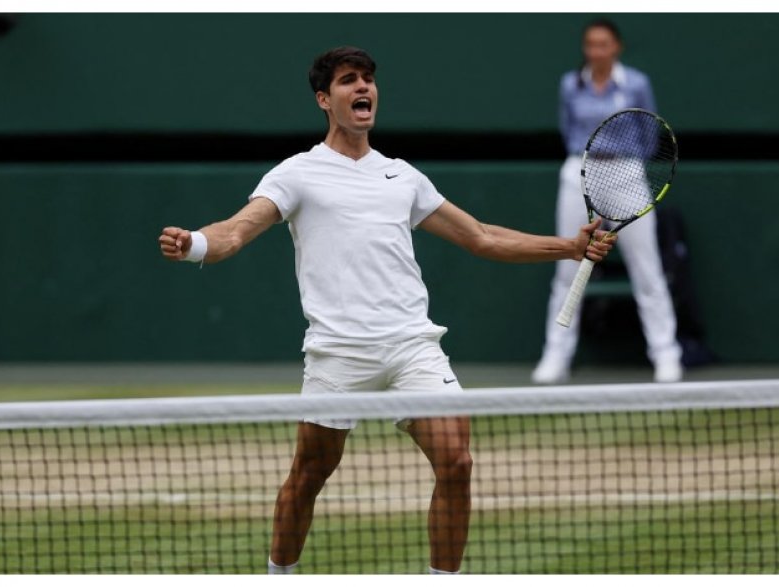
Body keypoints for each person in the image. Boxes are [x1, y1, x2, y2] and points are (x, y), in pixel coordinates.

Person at [159, 46, 614, 574]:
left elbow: (483, 237)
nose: (364, 89)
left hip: (411, 347)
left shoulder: (403, 176)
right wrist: (194, 242)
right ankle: (277, 576)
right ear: (324, 100)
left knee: (457, 461)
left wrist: (568, 247)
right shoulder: (297, 173)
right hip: (338, 354)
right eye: (350, 81)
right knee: (309, 474)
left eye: (369, 80)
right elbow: (236, 231)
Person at [532, 19, 683, 385]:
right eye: (590, 44)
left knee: (646, 269)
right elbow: (568, 129)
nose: (596, 51)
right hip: (579, 174)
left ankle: (666, 356)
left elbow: (650, 131)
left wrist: (626, 161)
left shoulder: (636, 83)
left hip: (628, 176)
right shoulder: (571, 84)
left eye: (603, 44)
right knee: (567, 267)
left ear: (617, 47)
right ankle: (556, 356)